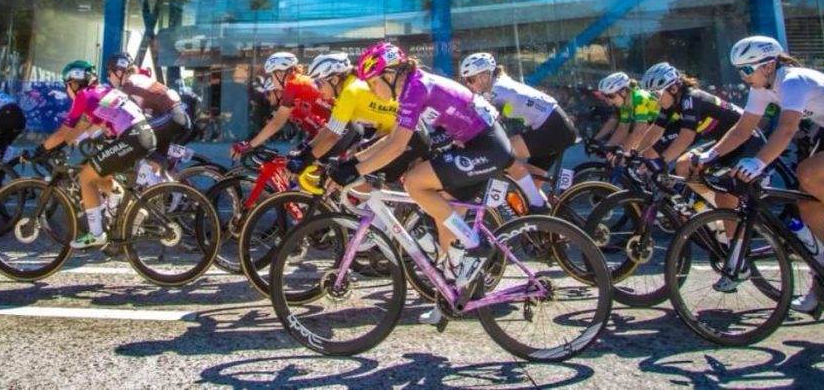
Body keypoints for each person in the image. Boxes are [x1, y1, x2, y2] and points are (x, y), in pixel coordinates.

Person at [705, 36, 824, 308]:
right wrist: (710, 154)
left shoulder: (792, 80)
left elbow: (786, 129)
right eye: (739, 71)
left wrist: (758, 163)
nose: (743, 77)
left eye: (746, 70)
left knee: (809, 174)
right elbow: (743, 128)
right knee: (808, 207)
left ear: (767, 65)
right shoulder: (762, 86)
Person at [328, 42, 512, 299]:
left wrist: (354, 171)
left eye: (373, 83)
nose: (371, 89)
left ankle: (476, 243)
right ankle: (452, 294)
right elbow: (394, 137)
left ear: (390, 75)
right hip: (475, 145)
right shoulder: (412, 86)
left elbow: (396, 146)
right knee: (444, 218)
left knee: (414, 181)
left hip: (487, 147)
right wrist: (353, 162)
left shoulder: (416, 88)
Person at [35, 61, 156, 249]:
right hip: (144, 135)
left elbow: (63, 131)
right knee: (98, 172)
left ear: (74, 83)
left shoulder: (83, 96)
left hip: (132, 137)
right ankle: (121, 208)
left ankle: (96, 233)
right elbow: (83, 128)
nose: (67, 89)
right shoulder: (103, 92)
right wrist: (65, 144)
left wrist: (41, 150)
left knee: (86, 176)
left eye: (67, 84)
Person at [635, 61, 764, 209]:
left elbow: (686, 137)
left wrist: (662, 161)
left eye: (656, 94)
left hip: (746, 141)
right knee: (683, 165)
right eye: (651, 95)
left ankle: (725, 210)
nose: (655, 100)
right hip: (722, 140)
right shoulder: (672, 102)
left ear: (674, 88)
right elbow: (655, 130)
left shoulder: (691, 98)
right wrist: (635, 153)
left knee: (724, 190)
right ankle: (714, 211)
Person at [459, 52, 577, 209]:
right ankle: (550, 221)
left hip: (553, 128)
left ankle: (539, 208)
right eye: (467, 81)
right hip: (553, 126)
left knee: (501, 154)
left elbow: (483, 121)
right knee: (528, 190)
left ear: (485, 75)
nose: (469, 84)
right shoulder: (497, 84)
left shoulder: (498, 91)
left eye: (471, 80)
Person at [105, 52, 189, 183]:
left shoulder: (129, 83)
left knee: (139, 141)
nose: (108, 78)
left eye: (109, 73)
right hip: (177, 117)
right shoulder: (137, 79)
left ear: (119, 72)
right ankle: (170, 191)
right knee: (155, 163)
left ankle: (154, 189)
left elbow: (110, 108)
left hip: (171, 117)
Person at [231, 52, 331, 159]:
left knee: (296, 167)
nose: (273, 81)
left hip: (331, 136)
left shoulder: (293, 84)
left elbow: (277, 123)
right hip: (326, 134)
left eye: (271, 76)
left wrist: (249, 145)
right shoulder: (299, 81)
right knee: (293, 163)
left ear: (281, 73)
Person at [594, 71, 660, 150]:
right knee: (622, 145)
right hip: (652, 125)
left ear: (623, 91)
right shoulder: (625, 103)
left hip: (668, 126)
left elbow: (640, 131)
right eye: (605, 97)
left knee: (637, 152)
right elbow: (623, 128)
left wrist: (624, 152)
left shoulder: (639, 98)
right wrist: (608, 147)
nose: (609, 101)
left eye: (611, 96)